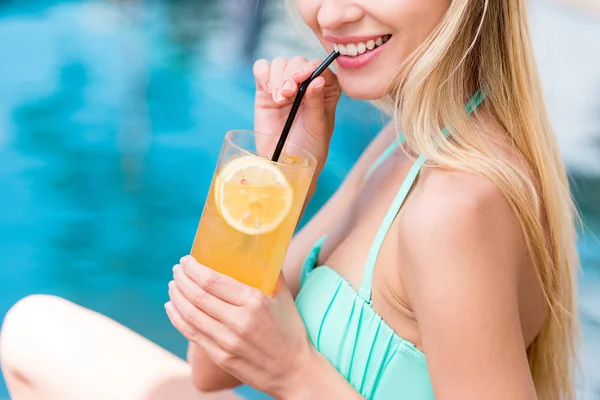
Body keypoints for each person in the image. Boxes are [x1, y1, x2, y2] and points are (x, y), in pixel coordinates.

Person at [0, 0, 580, 399]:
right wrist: (284, 168)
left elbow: (251, 366)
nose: (330, 14)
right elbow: (212, 365)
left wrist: (294, 371)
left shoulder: (458, 205)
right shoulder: (402, 143)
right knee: (34, 330)